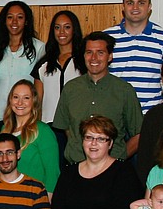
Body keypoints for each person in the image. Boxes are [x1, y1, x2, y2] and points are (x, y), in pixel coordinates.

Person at [51, 32, 143, 164]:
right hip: (76, 166)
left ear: (110, 56)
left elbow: (139, 134)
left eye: (100, 52)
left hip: (112, 170)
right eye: (89, 52)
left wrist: (119, 158)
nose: (94, 58)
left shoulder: (124, 90)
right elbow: (66, 127)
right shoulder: (70, 89)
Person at [102, 0, 163, 114]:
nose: (135, 7)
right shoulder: (106, 37)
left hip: (151, 116)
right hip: (114, 115)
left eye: (141, 3)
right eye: (130, 3)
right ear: (123, 7)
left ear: (149, 7)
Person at [0, 79, 60, 192]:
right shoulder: (4, 130)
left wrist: (48, 200)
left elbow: (53, 171)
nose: (20, 103)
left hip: (34, 198)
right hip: (7, 196)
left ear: (34, 101)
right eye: (16, 97)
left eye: (26, 98)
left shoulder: (43, 131)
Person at [0, 1, 43, 118]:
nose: (14, 21)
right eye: (10, 17)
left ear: (26, 21)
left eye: (20, 17)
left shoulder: (39, 48)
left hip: (24, 116)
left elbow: (41, 86)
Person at [31, 10, 85, 124]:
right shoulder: (43, 65)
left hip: (76, 127)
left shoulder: (84, 62)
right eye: (57, 27)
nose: (61, 32)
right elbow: (37, 103)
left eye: (67, 27)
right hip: (49, 126)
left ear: (74, 30)